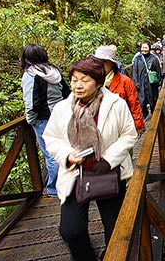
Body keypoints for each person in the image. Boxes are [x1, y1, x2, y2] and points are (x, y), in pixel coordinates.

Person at [43, 57, 137, 261]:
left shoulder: (116, 105)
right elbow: (51, 137)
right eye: (74, 80)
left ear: (98, 81)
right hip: (75, 174)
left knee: (116, 230)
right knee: (70, 231)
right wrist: (67, 155)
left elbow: (129, 134)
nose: (77, 85)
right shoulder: (62, 109)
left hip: (108, 172)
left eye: (84, 80)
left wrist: (109, 159)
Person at [20, 44, 70, 197]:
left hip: (44, 119)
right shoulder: (54, 72)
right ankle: (69, 182)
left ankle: (54, 189)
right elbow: (67, 92)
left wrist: (31, 120)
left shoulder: (31, 75)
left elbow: (32, 103)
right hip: (62, 116)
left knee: (51, 154)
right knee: (64, 150)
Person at [92, 46, 145, 135]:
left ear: (112, 64)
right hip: (98, 128)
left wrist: (138, 126)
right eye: (97, 62)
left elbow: (134, 104)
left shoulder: (125, 81)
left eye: (104, 62)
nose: (100, 65)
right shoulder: (92, 80)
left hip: (121, 127)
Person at [131, 41, 161, 119]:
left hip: (151, 83)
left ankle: (154, 113)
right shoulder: (138, 59)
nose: (144, 49)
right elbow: (134, 71)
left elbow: (158, 70)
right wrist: (135, 82)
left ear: (149, 48)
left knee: (153, 99)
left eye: (146, 47)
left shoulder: (154, 58)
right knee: (142, 100)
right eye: (143, 47)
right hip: (141, 83)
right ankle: (144, 112)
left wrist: (159, 81)